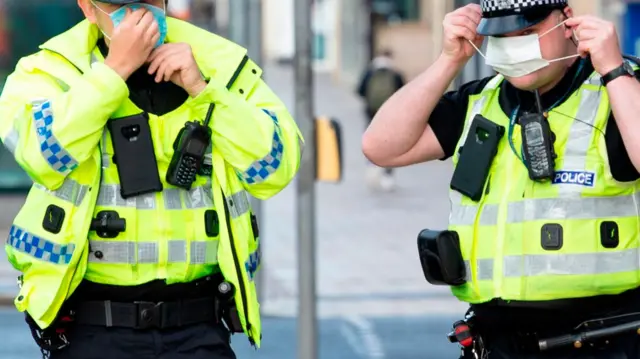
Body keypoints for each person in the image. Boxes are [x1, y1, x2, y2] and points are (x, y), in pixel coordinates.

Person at [0, 0, 303, 358]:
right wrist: (114, 72)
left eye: (147, 2)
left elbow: (277, 168)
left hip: (197, 325)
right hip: (93, 327)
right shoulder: (49, 70)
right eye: (119, 5)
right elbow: (40, 156)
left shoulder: (219, 63)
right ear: (87, 7)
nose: (136, 16)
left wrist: (203, 90)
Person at [363, 0, 640, 358]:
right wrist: (449, 60)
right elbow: (381, 147)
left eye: (527, 32)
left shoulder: (619, 91)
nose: (515, 45)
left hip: (602, 340)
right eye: (502, 36)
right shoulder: (480, 101)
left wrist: (614, 70)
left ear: (567, 21)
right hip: (497, 341)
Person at [357, 49, 405, 192]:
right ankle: (388, 175)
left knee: (371, 138)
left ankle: (372, 166)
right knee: (390, 142)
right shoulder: (395, 74)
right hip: (391, 113)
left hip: (371, 112)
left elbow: (360, 90)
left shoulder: (370, 72)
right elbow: (404, 93)